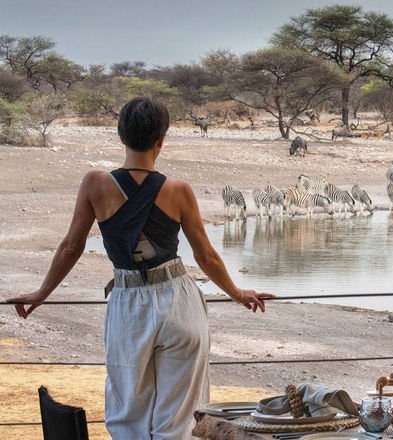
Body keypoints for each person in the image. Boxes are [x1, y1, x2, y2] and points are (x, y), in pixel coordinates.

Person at [6, 97, 275, 439]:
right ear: (161, 140)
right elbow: (206, 256)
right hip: (179, 302)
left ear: (120, 136)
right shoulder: (178, 191)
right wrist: (238, 293)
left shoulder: (95, 184)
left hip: (129, 302)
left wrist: (41, 293)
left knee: (128, 415)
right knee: (179, 418)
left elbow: (72, 246)